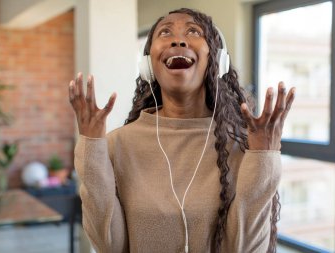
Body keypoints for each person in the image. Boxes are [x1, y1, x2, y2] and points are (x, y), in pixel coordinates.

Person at [69, 8, 295, 253]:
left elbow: (246, 249)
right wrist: (91, 145)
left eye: (193, 31)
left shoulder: (242, 145)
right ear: (147, 64)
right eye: (165, 32)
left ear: (217, 60)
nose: (177, 40)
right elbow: (110, 246)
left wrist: (264, 158)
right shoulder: (117, 144)